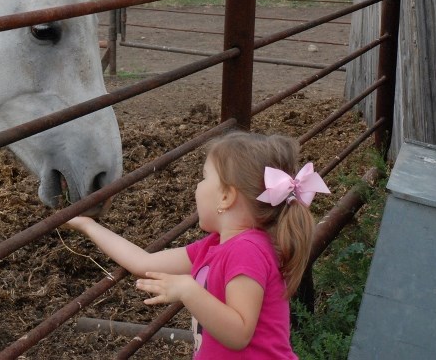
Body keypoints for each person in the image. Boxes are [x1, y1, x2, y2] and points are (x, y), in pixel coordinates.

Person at [64, 130, 330, 358]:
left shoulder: (247, 251)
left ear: (226, 196)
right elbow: (142, 263)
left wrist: (189, 291)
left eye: (204, 178)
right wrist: (89, 226)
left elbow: (239, 333)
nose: (197, 187)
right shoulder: (216, 245)